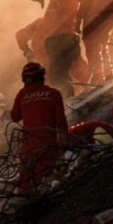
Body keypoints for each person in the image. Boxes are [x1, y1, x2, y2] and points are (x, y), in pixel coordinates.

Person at [10, 62, 69, 193]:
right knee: (46, 186)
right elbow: (62, 124)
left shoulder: (22, 95)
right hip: (48, 148)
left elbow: (14, 117)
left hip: (28, 149)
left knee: (25, 188)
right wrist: (64, 151)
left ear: (26, 79)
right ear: (42, 77)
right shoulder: (54, 94)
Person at [33, 0, 83, 98]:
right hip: (56, 40)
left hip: (64, 38)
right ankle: (68, 101)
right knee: (58, 76)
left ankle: (67, 103)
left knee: (58, 76)